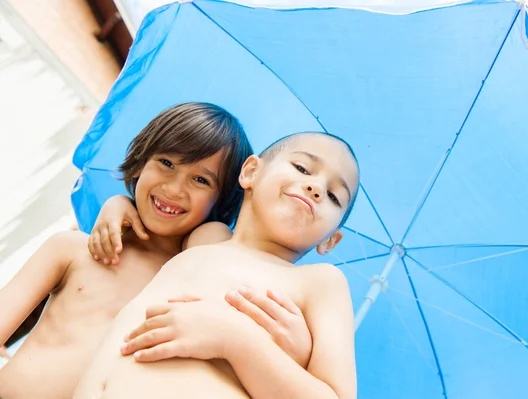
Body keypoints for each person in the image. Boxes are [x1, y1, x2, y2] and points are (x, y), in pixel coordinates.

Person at [0, 102, 259, 399]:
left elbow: (216, 245)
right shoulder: (71, 251)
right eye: (166, 163)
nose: (174, 189)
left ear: (221, 202)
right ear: (139, 162)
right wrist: (119, 201)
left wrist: (121, 203)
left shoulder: (189, 287)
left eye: (201, 180)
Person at [73, 131, 360, 399]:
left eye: (334, 196)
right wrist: (120, 202)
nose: (316, 187)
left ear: (330, 241)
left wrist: (235, 340)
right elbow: (161, 215)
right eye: (302, 168)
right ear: (251, 172)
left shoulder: (320, 281)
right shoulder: (204, 238)